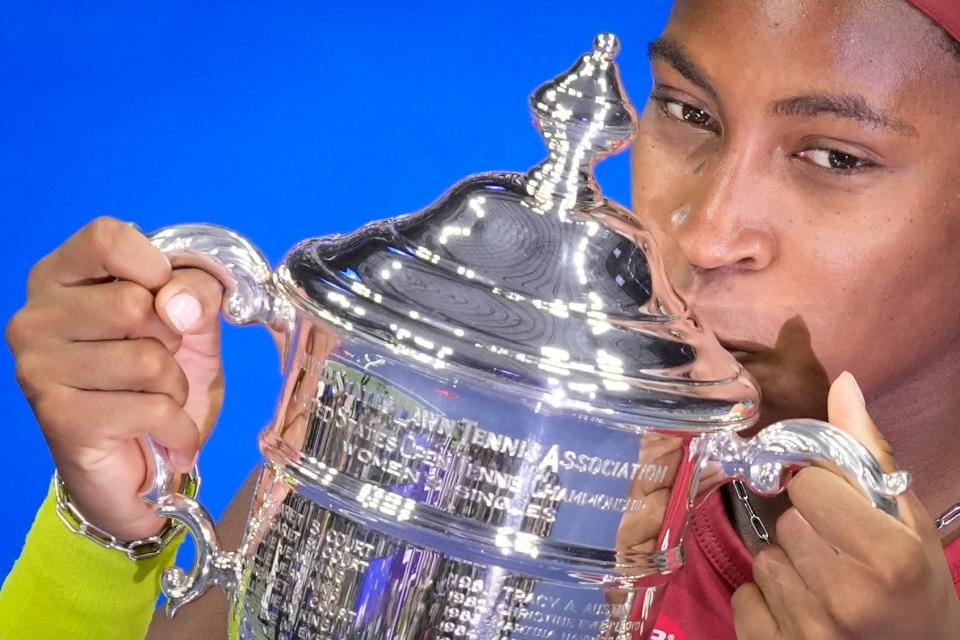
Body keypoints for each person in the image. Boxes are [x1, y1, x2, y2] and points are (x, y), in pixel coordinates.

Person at [3, 0, 960, 638]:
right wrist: (106, 525)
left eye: (836, 157)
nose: (706, 231)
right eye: (687, 112)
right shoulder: (478, 425)